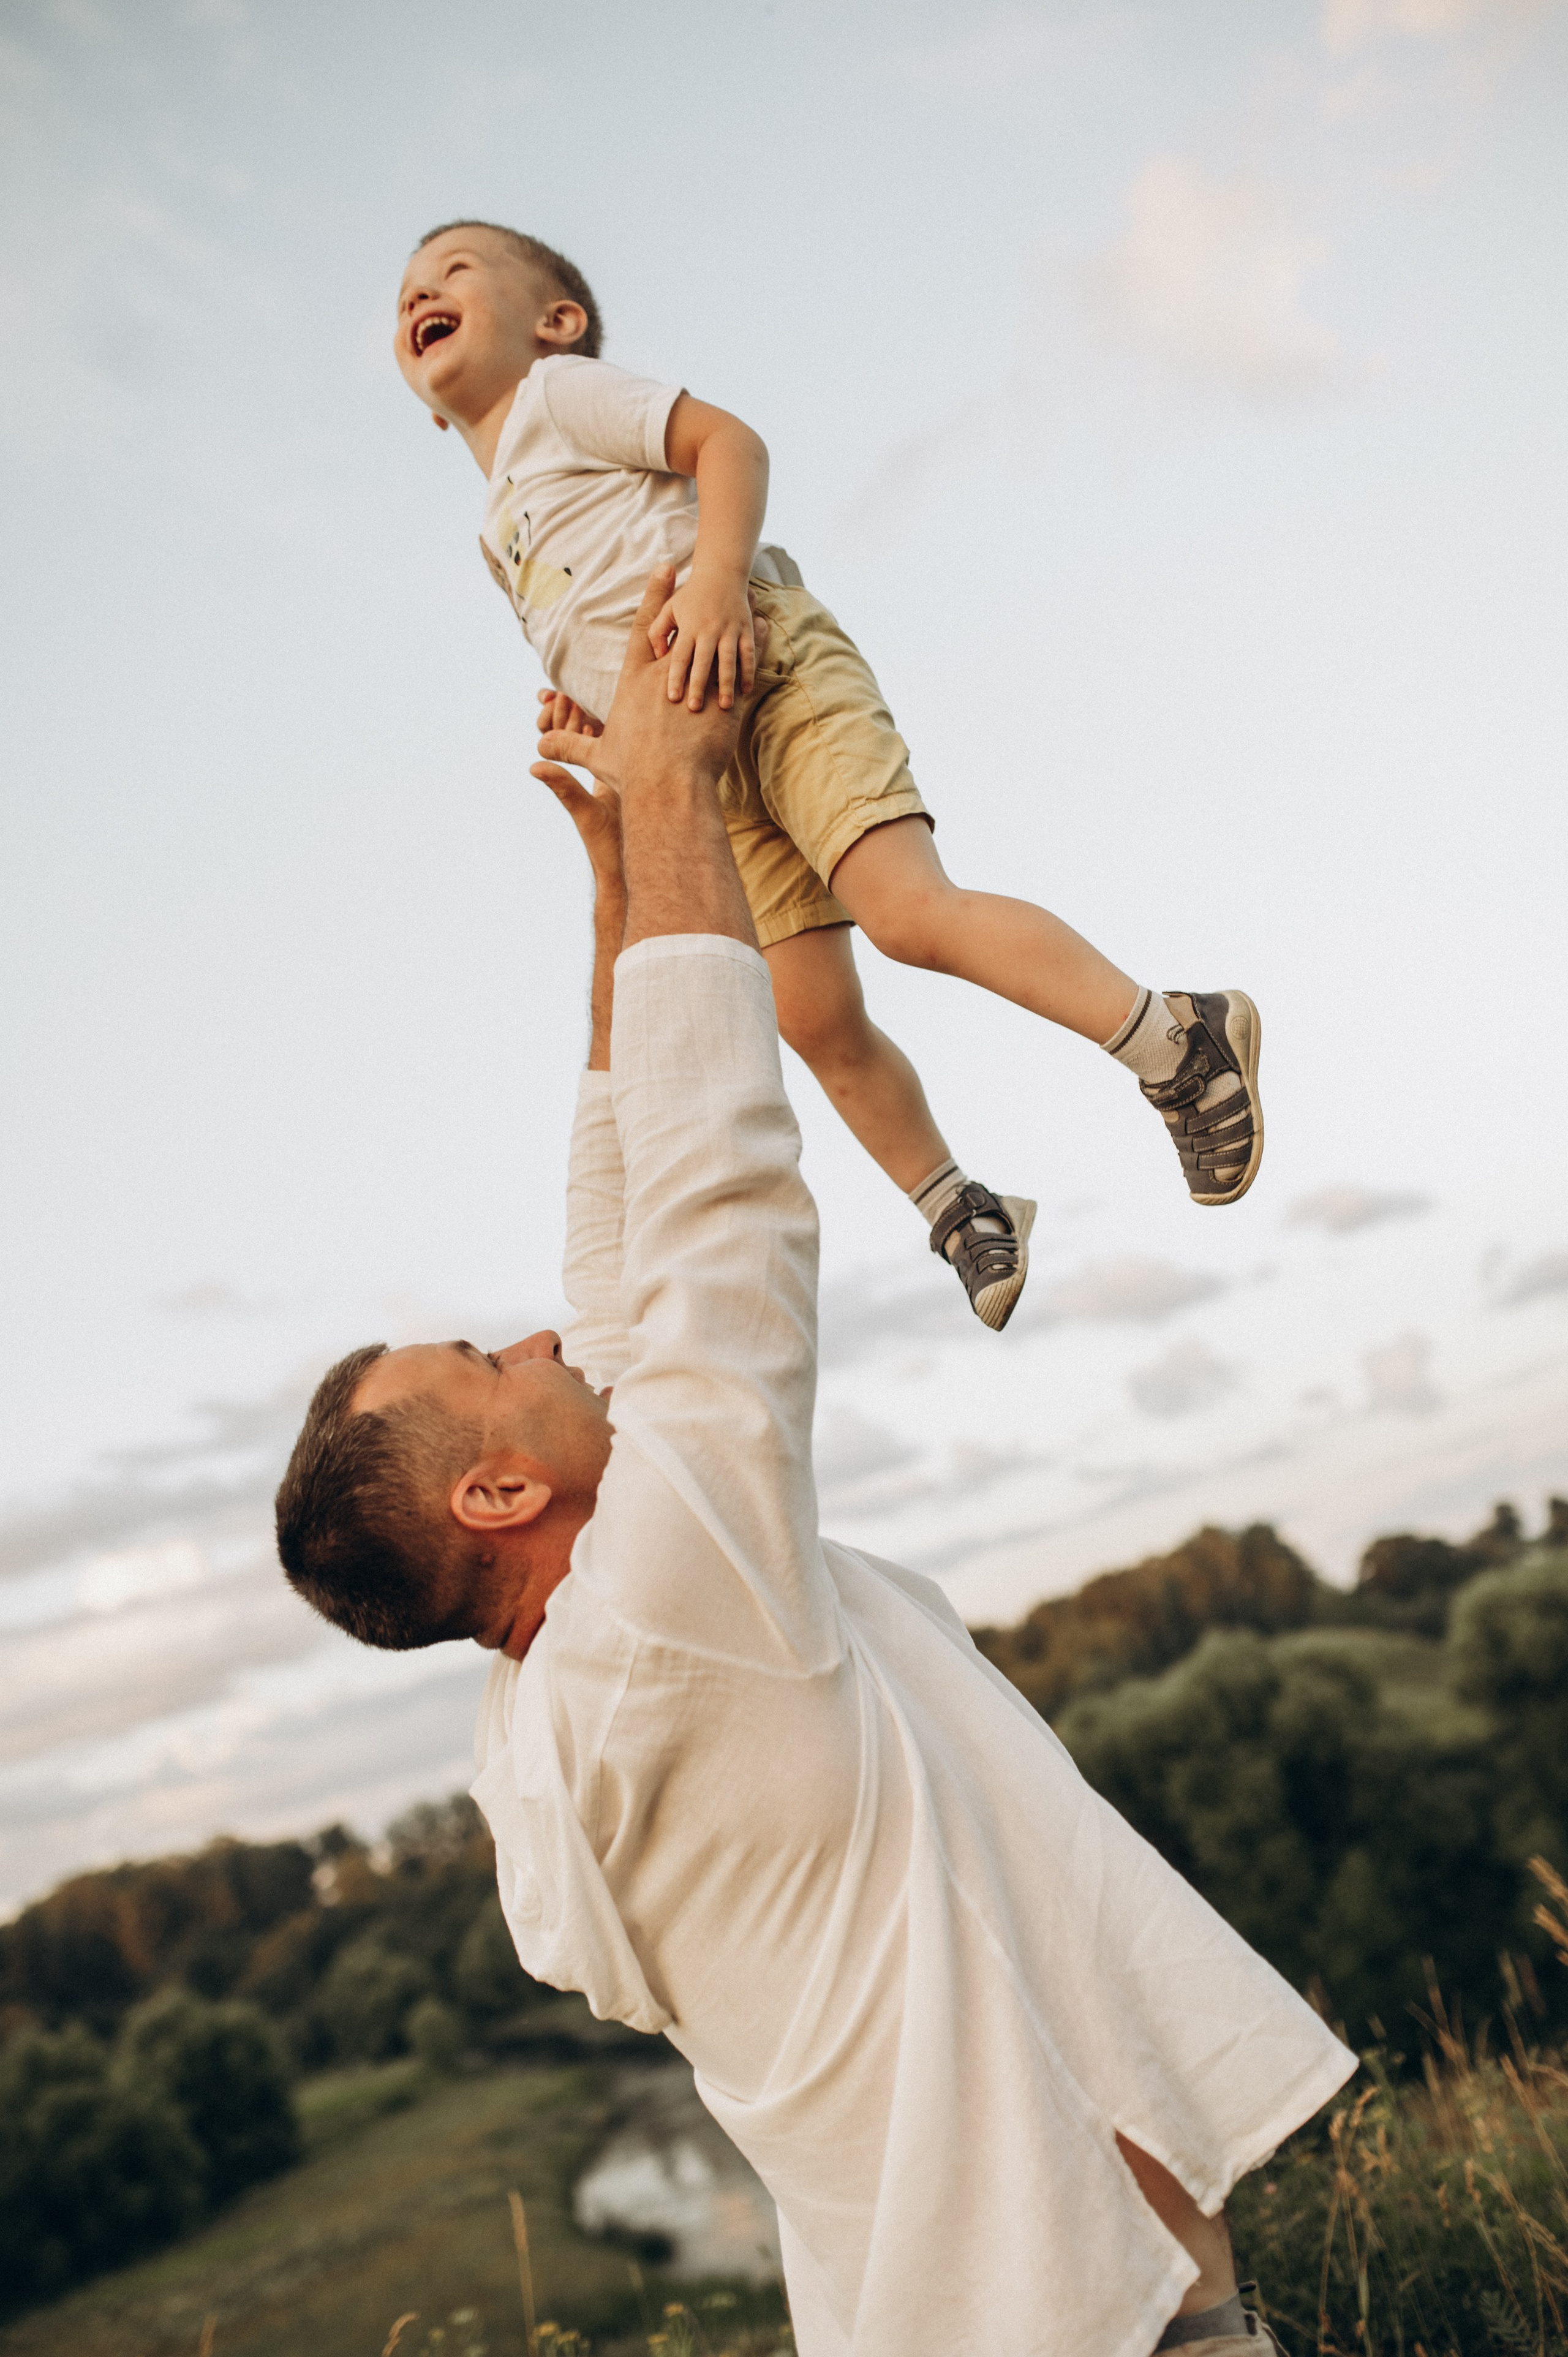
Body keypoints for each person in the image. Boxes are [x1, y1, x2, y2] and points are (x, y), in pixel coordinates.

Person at [275, 570, 1352, 2357]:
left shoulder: (546, 1733)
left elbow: (622, 1247)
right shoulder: (670, 1623)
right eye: (487, 1365)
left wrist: (623, 870)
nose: (538, 1340)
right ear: (493, 1497)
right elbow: (716, 1206)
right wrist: (687, 780)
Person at [389, 220, 1267, 1334]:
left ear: (553, 322)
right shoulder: (493, 529)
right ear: (425, 401)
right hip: (694, 757)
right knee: (810, 1017)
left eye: (455, 272)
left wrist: (713, 585)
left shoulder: (563, 396)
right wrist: (597, 724)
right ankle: (962, 1204)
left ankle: (1176, 1036)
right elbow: (593, 617)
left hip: (766, 661)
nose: (423, 292)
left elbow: (729, 444)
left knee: (907, 913)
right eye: (409, 294)